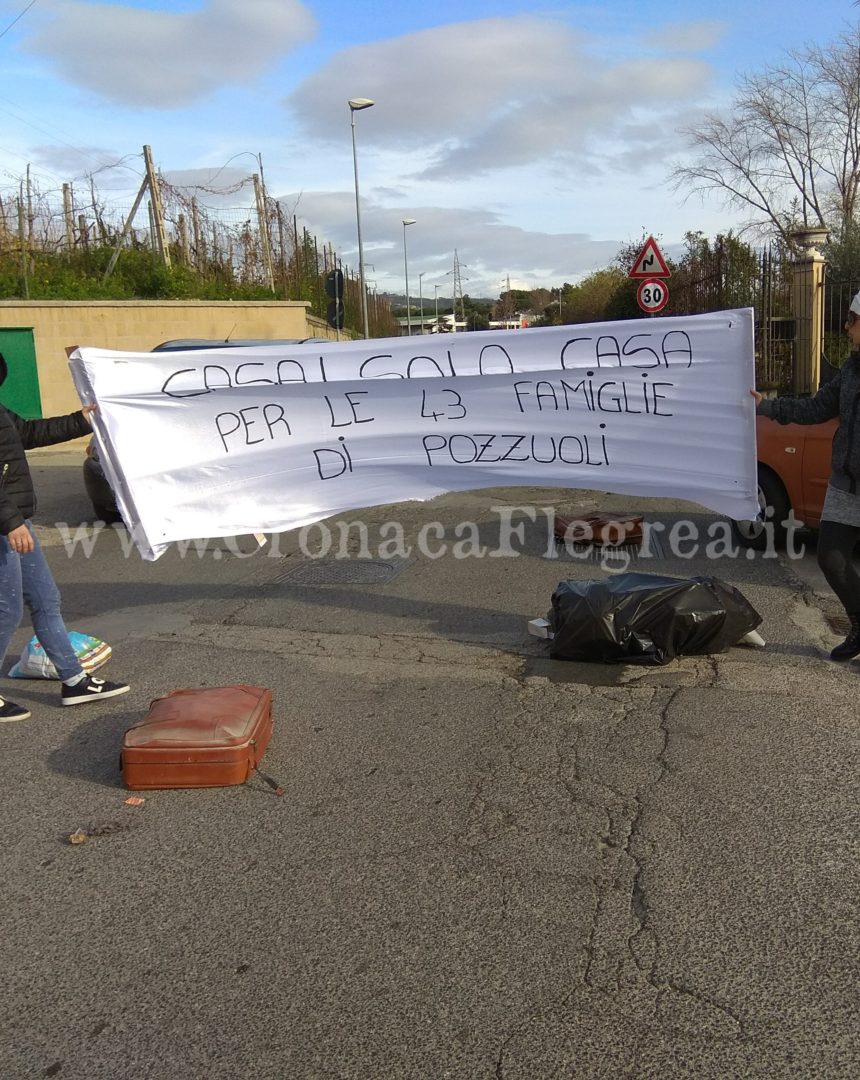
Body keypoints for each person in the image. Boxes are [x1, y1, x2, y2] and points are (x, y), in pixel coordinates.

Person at [0, 353, 129, 721]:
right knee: (6, 611)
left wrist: (82, 420)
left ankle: (74, 680)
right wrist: (10, 522)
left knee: (45, 599)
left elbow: (28, 434)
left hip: (14, 522)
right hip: (6, 526)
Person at [751, 289, 860, 661]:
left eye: (851, 320)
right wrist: (768, 407)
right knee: (831, 557)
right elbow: (816, 408)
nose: (845, 328)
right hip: (846, 484)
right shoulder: (850, 370)